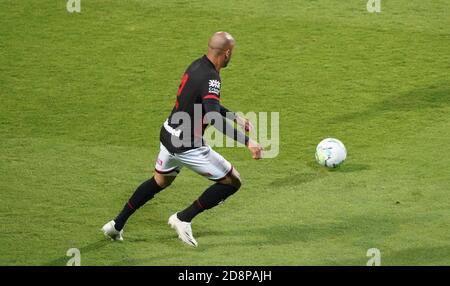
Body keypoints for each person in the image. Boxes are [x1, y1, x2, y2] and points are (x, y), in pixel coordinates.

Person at [102, 31, 263, 247]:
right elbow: (213, 116)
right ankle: (183, 218)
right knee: (232, 181)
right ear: (226, 53)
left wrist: (234, 116)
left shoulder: (197, 65)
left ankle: (116, 225)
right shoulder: (212, 77)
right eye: (231, 52)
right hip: (186, 145)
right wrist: (247, 141)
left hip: (168, 133)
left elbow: (206, 104)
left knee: (159, 181)